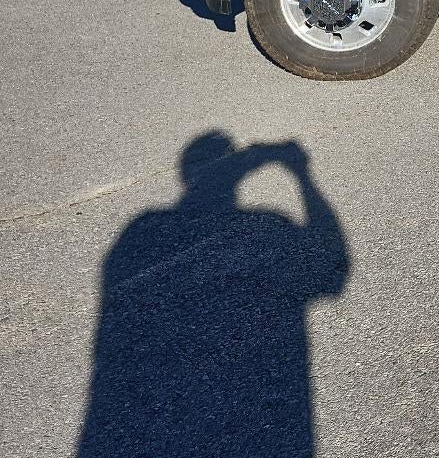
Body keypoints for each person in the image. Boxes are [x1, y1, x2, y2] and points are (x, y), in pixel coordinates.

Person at [77, 132, 349, 457]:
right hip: (263, 419)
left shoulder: (142, 231)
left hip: (136, 417)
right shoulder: (269, 225)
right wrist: (301, 175)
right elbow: (332, 268)